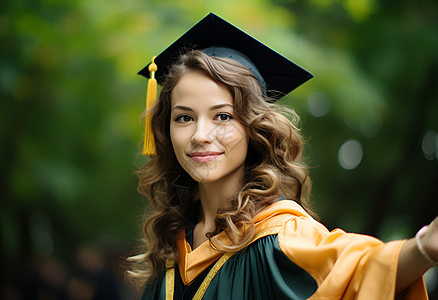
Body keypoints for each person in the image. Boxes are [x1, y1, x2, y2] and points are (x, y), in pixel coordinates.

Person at [128, 13, 437, 299]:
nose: (200, 135)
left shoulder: (280, 235)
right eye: (184, 118)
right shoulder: (172, 245)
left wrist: (424, 248)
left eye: (222, 116)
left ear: (253, 127)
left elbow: (356, 268)